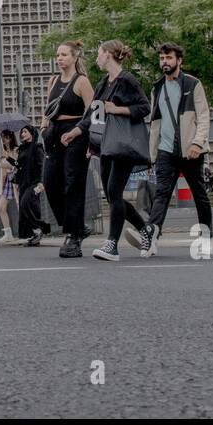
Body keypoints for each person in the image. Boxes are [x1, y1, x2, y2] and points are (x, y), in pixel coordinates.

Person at [61, 41, 152, 262]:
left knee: (113, 189)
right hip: (106, 146)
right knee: (113, 196)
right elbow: (94, 114)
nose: (96, 58)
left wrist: (117, 109)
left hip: (124, 145)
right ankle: (146, 230)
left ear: (109, 55)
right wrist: (80, 135)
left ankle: (112, 245)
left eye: (99, 54)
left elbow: (144, 107)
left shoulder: (127, 80)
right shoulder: (103, 83)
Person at [141, 42, 213, 258]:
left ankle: (207, 239)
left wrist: (197, 144)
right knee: (161, 195)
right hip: (166, 150)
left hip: (190, 150)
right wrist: (152, 155)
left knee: (199, 194)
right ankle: (152, 240)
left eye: (169, 58)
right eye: (162, 59)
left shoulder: (193, 84)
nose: (165, 62)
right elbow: (155, 124)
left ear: (179, 60)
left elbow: (203, 116)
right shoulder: (157, 87)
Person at [36, 41, 96, 258]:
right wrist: (43, 127)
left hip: (77, 133)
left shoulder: (82, 82)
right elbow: (48, 108)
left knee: (73, 184)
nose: (59, 58)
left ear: (74, 57)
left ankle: (73, 236)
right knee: (50, 182)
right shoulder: (53, 80)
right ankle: (76, 226)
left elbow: (93, 114)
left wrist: (78, 132)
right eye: (57, 55)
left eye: (63, 55)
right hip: (54, 133)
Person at [14, 124, 48, 245]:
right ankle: (34, 234)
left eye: (25, 132)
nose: (22, 134)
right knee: (25, 207)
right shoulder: (21, 149)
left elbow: (42, 165)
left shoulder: (37, 147)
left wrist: (42, 183)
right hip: (24, 182)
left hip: (35, 182)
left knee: (26, 203)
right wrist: (10, 160)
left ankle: (39, 229)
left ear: (32, 133)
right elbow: (19, 166)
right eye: (22, 132)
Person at [0, 129, 19, 244]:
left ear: (11, 137)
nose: (4, 140)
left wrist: (8, 157)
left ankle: (29, 231)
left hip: (16, 181)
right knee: (1, 207)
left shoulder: (16, 150)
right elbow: (2, 169)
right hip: (7, 182)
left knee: (21, 206)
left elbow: (17, 165)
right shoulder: (3, 152)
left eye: (5, 137)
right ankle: (8, 234)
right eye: (2, 137)